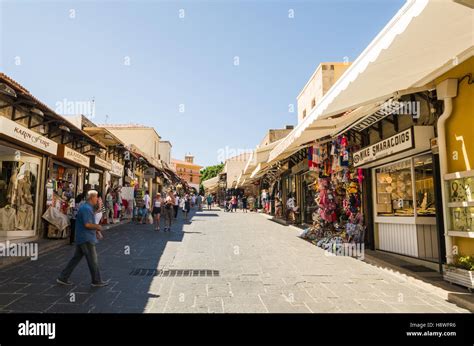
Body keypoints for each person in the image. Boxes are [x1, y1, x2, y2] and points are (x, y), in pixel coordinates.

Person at [57, 190, 108, 287]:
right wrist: (97, 227)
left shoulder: (88, 208)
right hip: (86, 238)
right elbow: (87, 224)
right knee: (93, 260)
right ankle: (96, 280)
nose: (97, 199)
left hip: (83, 237)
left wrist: (97, 232)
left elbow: (90, 221)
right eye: (96, 197)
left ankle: (63, 277)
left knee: (76, 258)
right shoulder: (86, 208)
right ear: (92, 197)